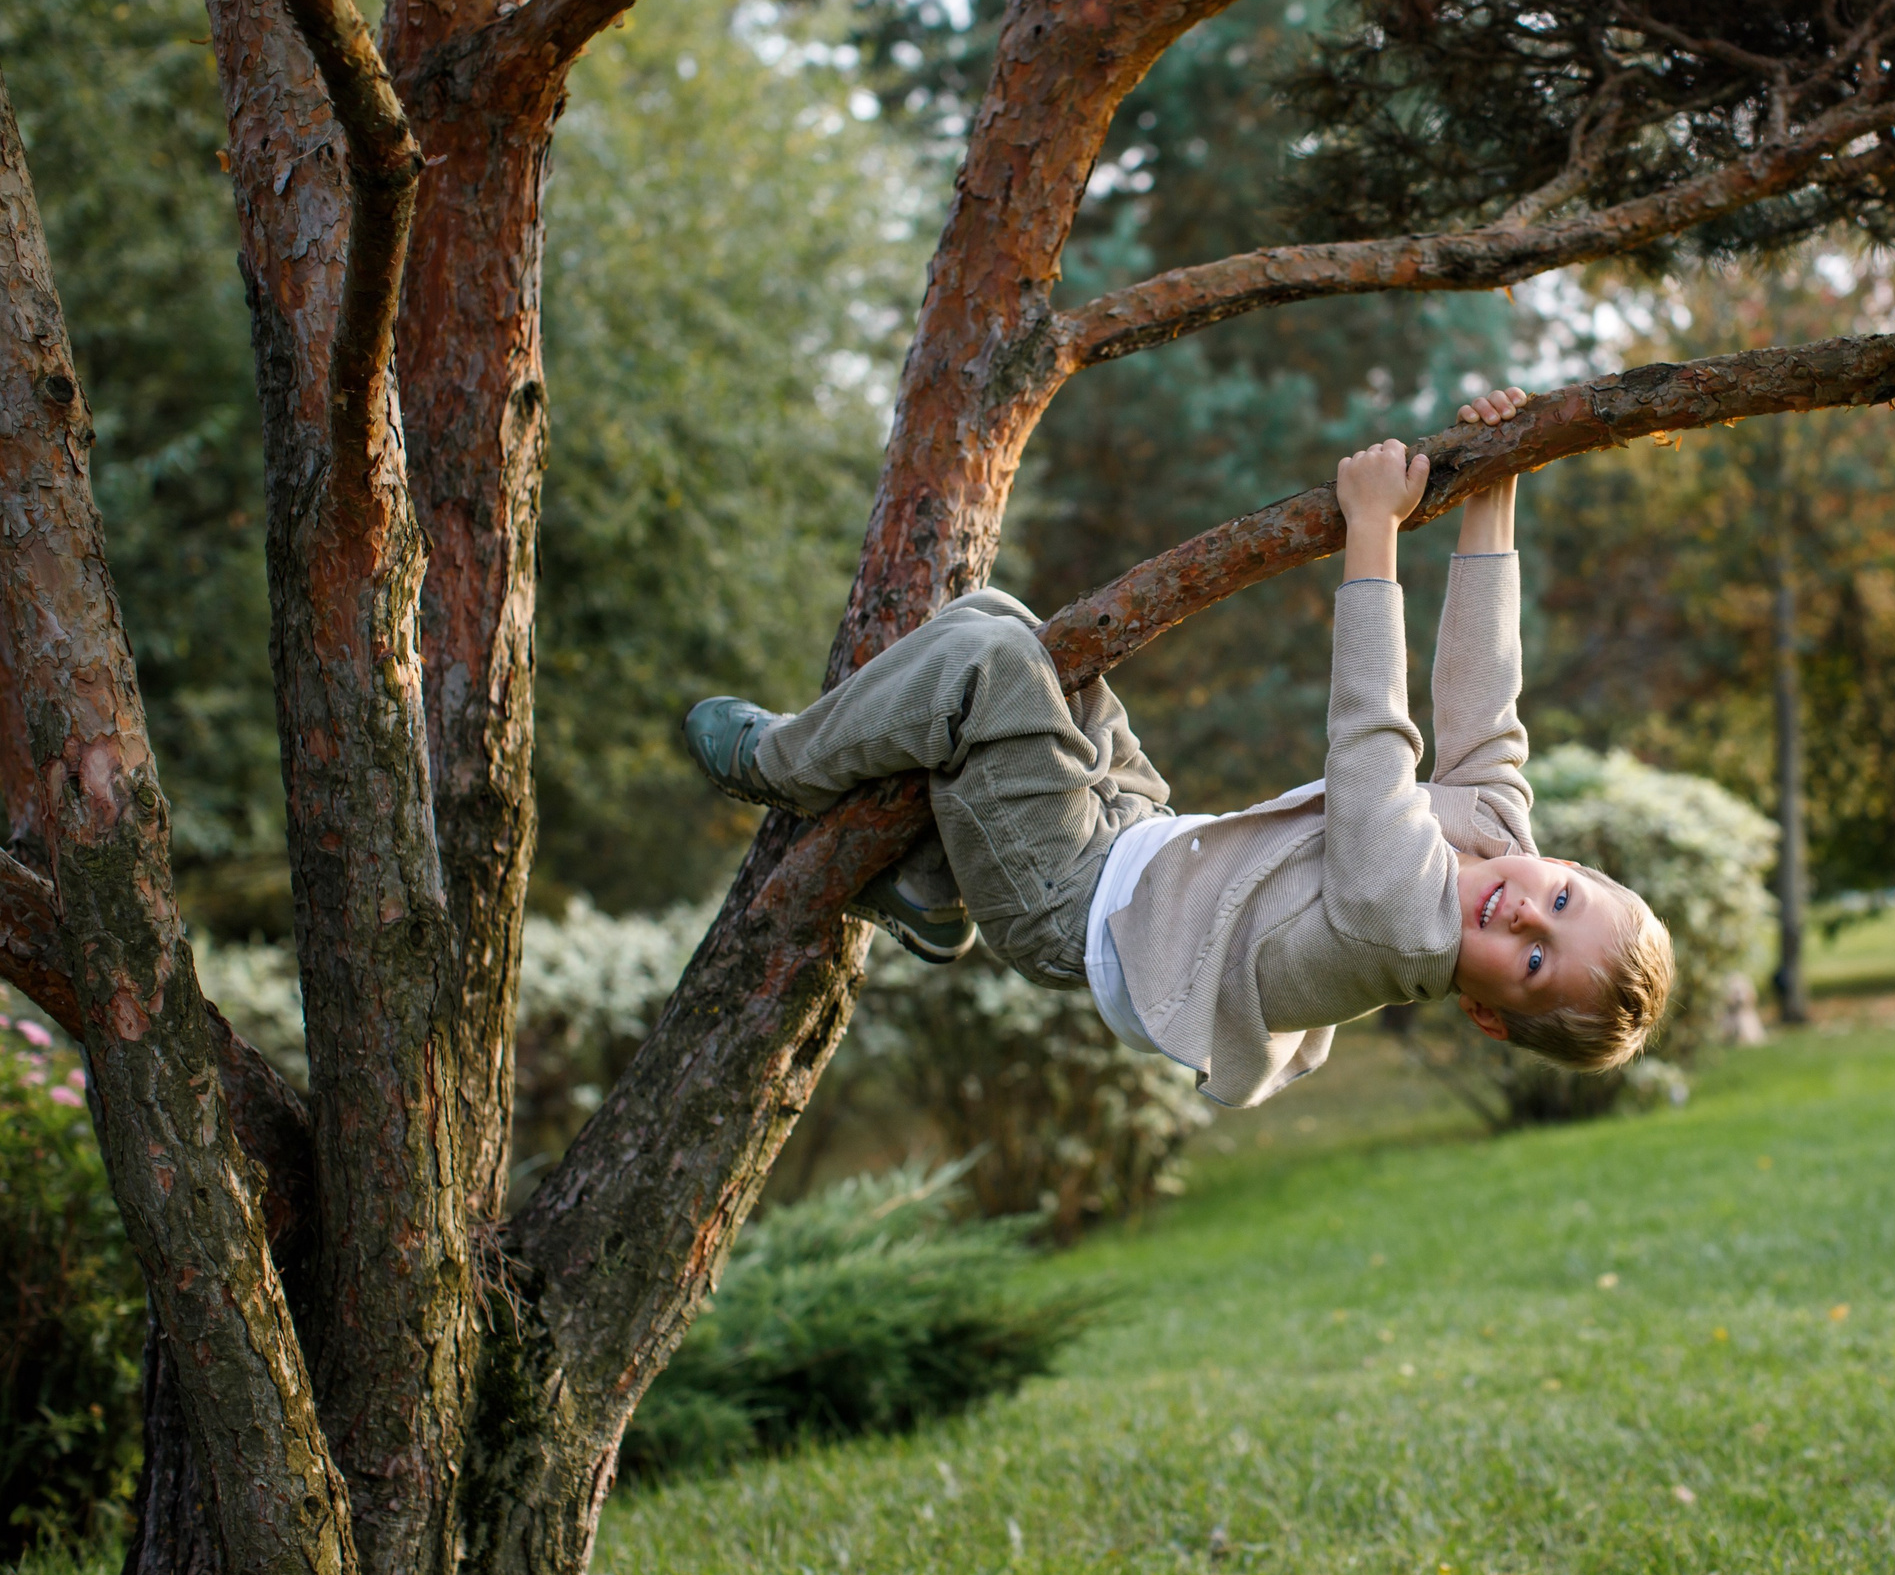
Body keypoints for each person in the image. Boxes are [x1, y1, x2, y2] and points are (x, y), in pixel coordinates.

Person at [684, 387, 1674, 1107]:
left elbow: (1370, 744)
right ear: (1574, 869)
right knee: (1009, 627)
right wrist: (1498, 484)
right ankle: (926, 886)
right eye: (1562, 901)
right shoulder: (1498, 838)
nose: (1525, 914)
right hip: (1144, 842)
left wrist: (1372, 531)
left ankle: (778, 767)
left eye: (1532, 961)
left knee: (982, 666)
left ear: (1486, 1014)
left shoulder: (1407, 931)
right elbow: (1483, 696)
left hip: (1076, 908)